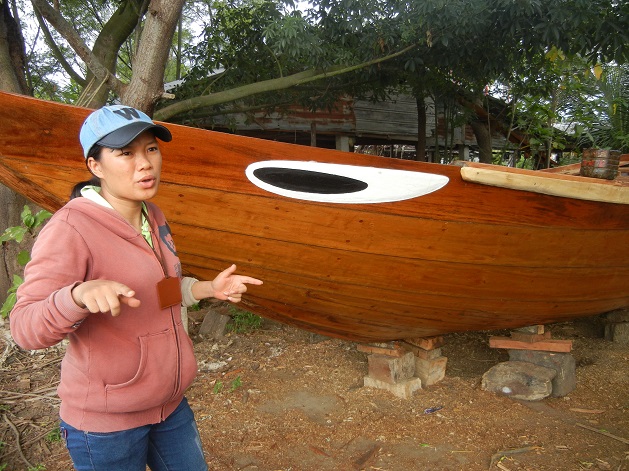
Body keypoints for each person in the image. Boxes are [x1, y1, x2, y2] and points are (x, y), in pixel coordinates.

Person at [9, 105, 263, 470]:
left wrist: (208, 288)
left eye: (151, 149)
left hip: (170, 407)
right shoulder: (70, 228)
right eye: (125, 153)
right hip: (105, 425)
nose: (144, 163)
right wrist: (76, 296)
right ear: (95, 166)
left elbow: (154, 295)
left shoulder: (152, 215)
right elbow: (24, 328)